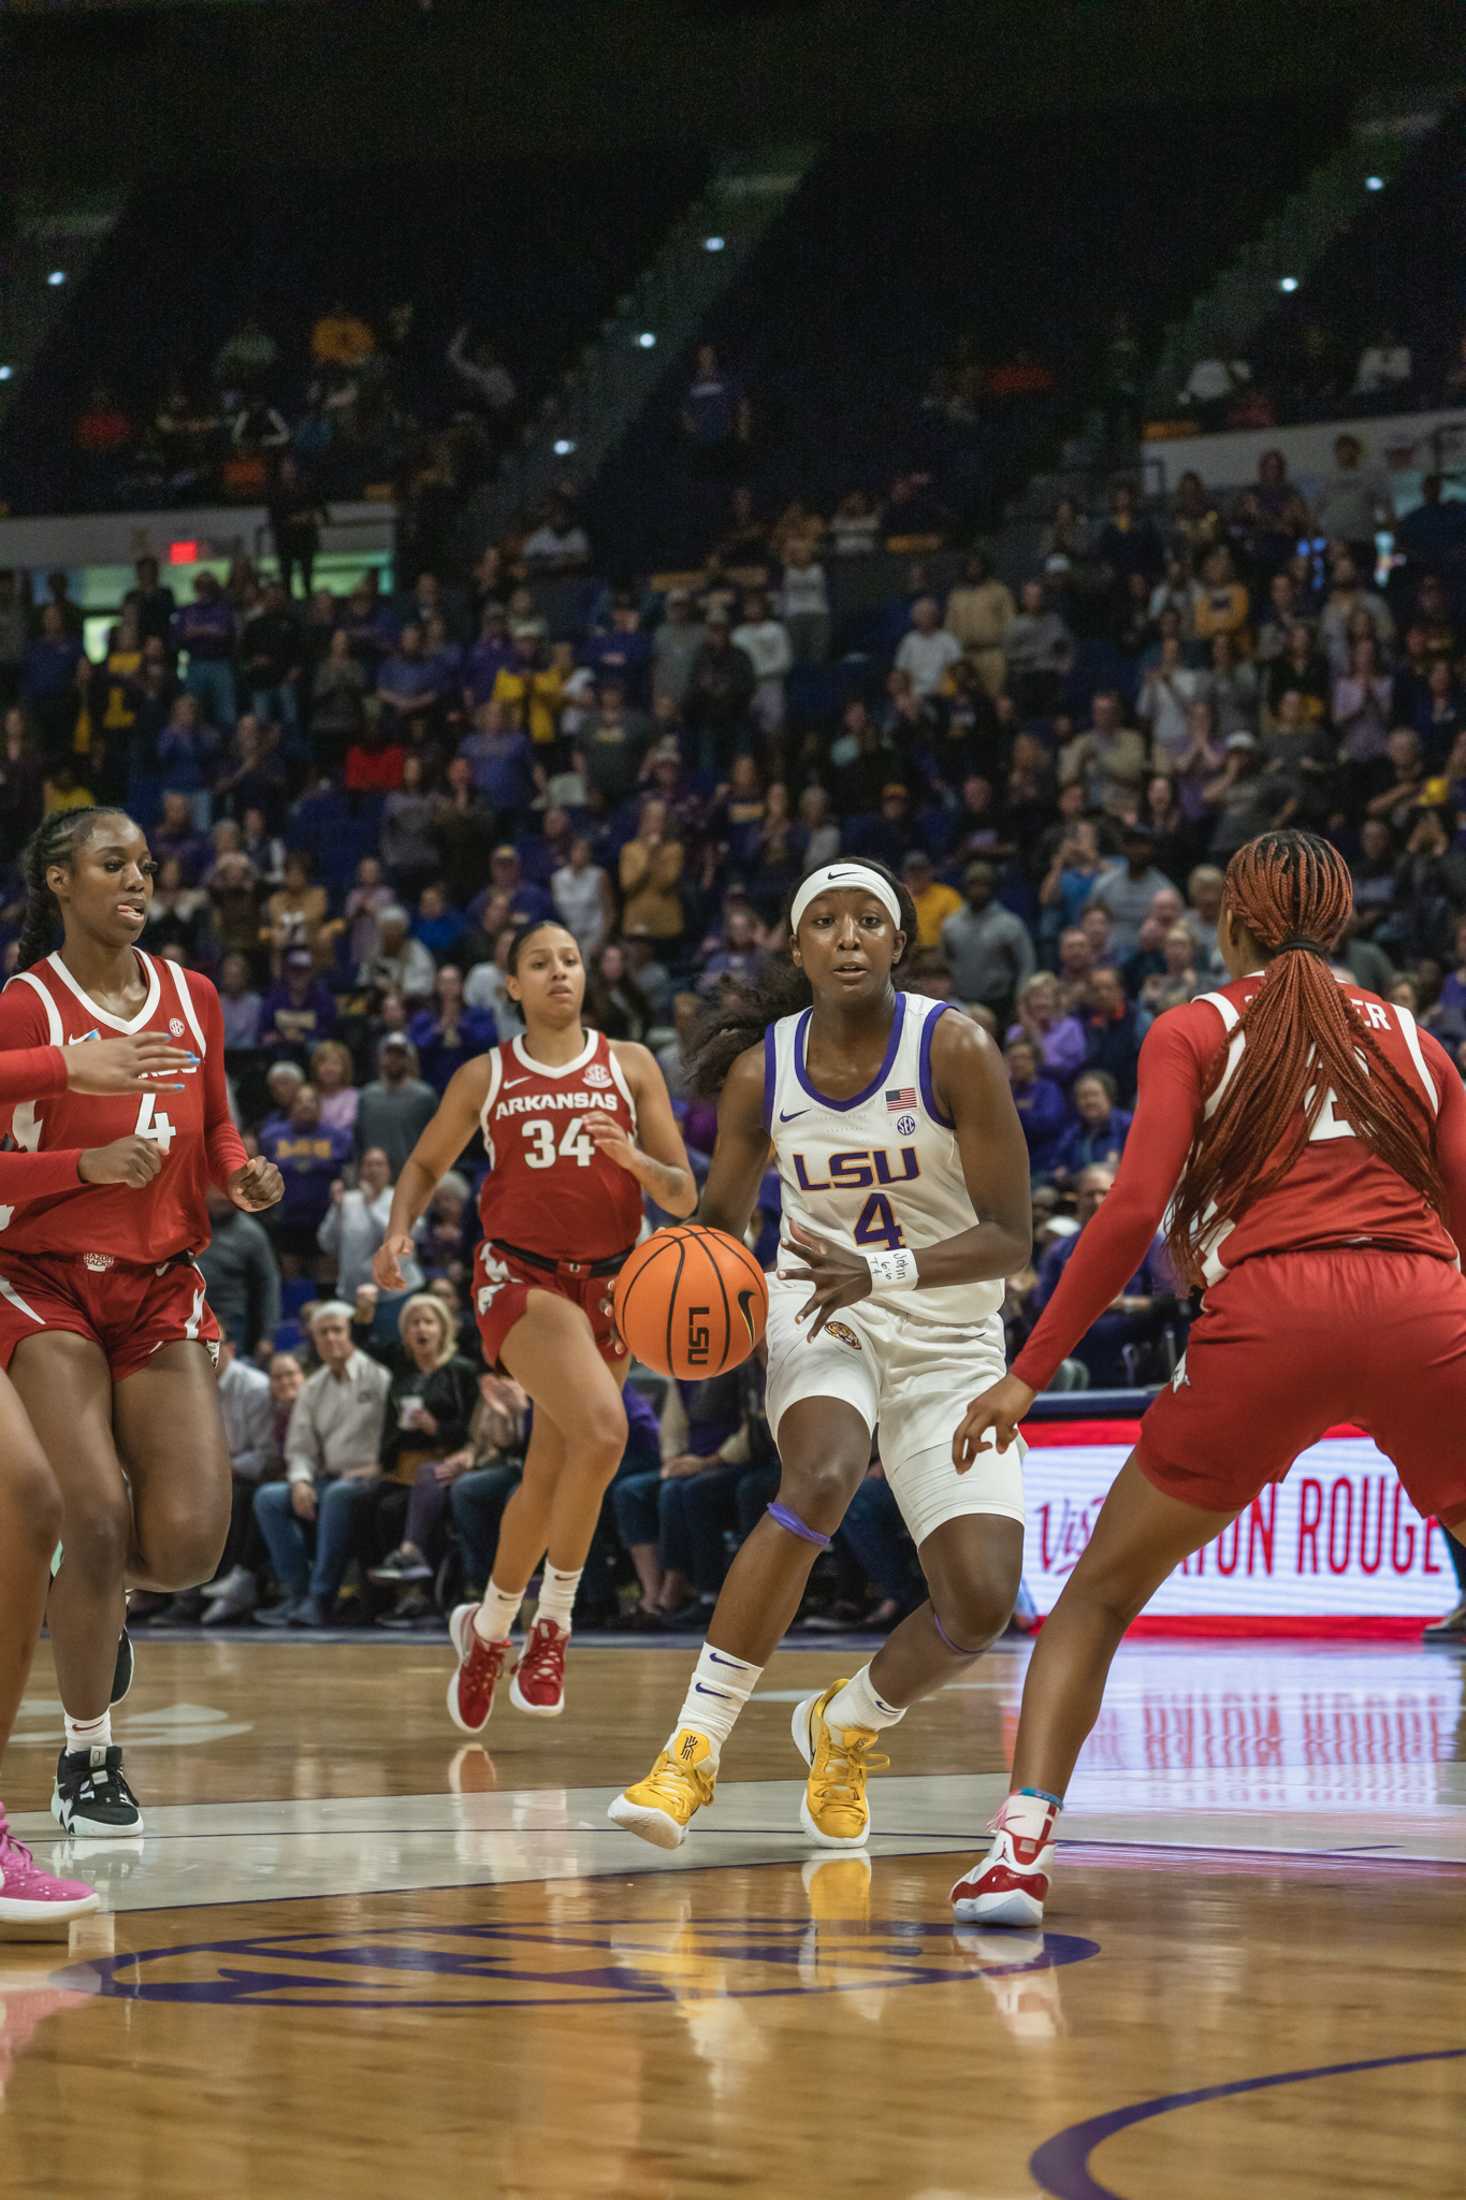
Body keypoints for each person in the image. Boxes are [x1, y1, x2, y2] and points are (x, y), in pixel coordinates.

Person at [949, 829, 1466, 1926]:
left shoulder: (1192, 1026)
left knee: (1092, 1596)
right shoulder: (1419, 1045)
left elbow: (1132, 1208)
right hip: (1423, 1303)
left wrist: (1027, 1373)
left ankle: (1014, 1856)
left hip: (1268, 1316)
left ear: (1227, 924)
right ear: (1343, 927)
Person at [609, 858, 1031, 1852]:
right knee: (822, 1475)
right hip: (816, 1307)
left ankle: (842, 1724)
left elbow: (1010, 1236)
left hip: (946, 1329)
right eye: (825, 922)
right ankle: (692, 1751)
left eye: (867, 921)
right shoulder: (765, 1069)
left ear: (897, 943)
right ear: (797, 948)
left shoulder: (954, 1047)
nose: (846, 936)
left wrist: (880, 1268)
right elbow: (717, 1226)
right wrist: (661, 1261)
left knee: (979, 1605)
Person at [0, 807, 283, 1836]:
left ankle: (91, 1602)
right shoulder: (28, 1006)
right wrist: (77, 1162)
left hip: (160, 1281)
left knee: (189, 1546)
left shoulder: (191, 995)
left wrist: (239, 1173)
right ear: (59, 881)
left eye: (147, 866)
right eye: (113, 862)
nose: (137, 878)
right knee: (93, 1515)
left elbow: (211, 1124)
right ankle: (88, 1757)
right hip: (44, 1280)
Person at [373, 919, 695, 1725]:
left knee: (553, 1470)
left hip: (616, 1283)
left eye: (572, 960)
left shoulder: (631, 1064)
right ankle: (555, 1622)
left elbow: (683, 1194)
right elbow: (422, 1162)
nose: (560, 973)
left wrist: (633, 1162)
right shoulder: (486, 1075)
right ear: (511, 985)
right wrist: (398, 1229)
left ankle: (486, 1629)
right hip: (520, 1278)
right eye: (539, 964)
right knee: (603, 1432)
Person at [253, 1302, 392, 1627]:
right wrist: (300, 1480)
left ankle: (321, 1597)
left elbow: (395, 1434)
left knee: (337, 1495)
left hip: (370, 1476)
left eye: (337, 1330)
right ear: (314, 1340)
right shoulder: (313, 1388)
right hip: (328, 1477)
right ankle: (296, 1594)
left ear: (350, 1334)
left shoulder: (378, 1376)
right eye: (323, 1333)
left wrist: (379, 1465)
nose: (331, 1338)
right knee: (269, 1498)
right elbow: (299, 1447)